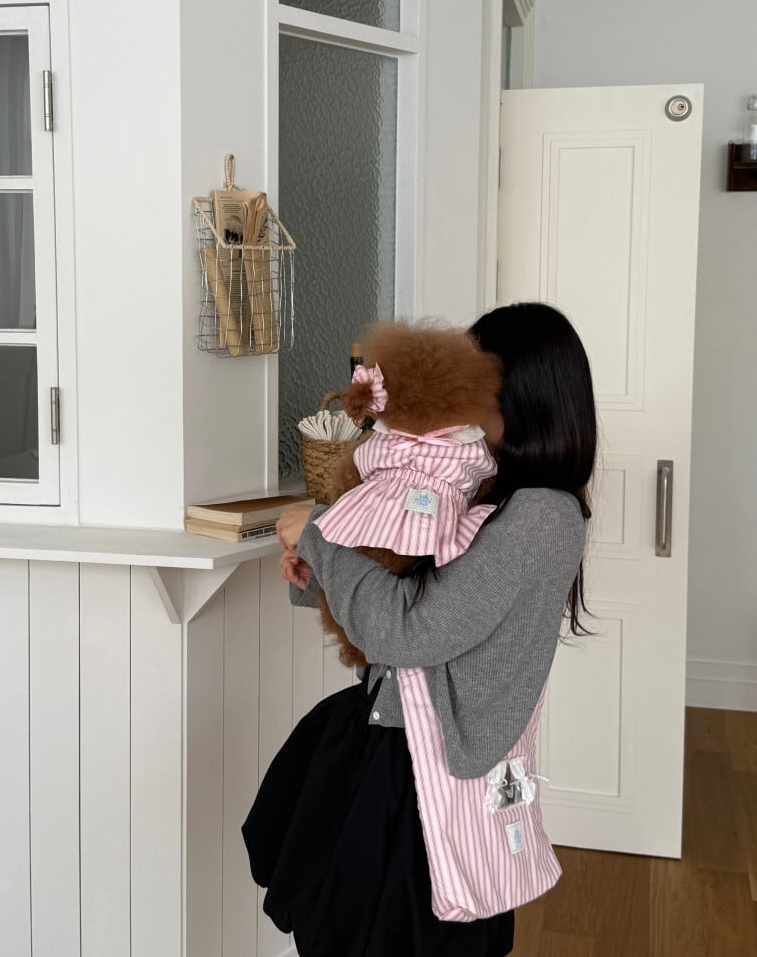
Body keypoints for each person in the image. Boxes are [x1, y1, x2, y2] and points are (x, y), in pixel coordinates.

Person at [242, 302, 597, 957]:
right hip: (389, 751)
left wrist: (320, 536)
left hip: (426, 780)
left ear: (521, 395)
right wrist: (320, 571)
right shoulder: (483, 491)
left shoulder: (542, 516)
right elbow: (402, 602)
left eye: (478, 386)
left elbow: (408, 632)